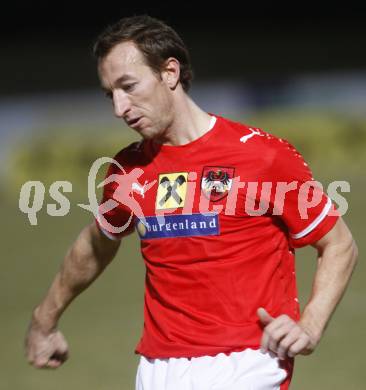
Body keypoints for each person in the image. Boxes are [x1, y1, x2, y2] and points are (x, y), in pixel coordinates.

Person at [25, 15, 358, 390]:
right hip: (158, 368)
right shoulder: (127, 169)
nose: (120, 107)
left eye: (128, 87)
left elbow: (339, 243)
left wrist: (310, 324)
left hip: (248, 361)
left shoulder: (263, 156)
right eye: (110, 94)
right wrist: (44, 319)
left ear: (170, 72)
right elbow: (97, 242)